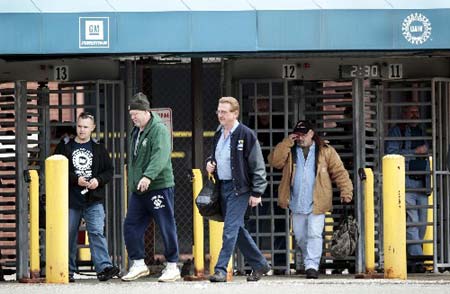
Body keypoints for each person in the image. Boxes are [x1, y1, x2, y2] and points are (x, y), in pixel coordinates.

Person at [268, 120, 353, 279]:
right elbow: (274, 161)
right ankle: (310, 259)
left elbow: (339, 172)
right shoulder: (290, 149)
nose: (300, 137)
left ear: (312, 133)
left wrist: (346, 191)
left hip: (318, 201)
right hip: (296, 201)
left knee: (314, 234)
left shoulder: (325, 150)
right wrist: (287, 142)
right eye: (298, 134)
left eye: (303, 134)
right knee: (300, 236)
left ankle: (311, 266)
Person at [206, 96, 271, 283]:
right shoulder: (218, 133)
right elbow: (215, 157)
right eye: (219, 111)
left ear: (235, 113)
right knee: (238, 230)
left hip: (240, 190)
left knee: (229, 229)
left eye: (224, 112)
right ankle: (260, 264)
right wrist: (210, 164)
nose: (220, 115)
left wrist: (257, 192)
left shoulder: (246, 134)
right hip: (223, 187)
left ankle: (220, 269)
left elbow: (258, 165)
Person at [122, 92, 180, 282]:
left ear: (146, 111)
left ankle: (172, 265)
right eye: (131, 115)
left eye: (135, 114)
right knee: (130, 225)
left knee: (165, 225)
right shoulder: (136, 131)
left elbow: (161, 156)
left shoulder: (159, 130)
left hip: (158, 186)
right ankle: (138, 263)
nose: (133, 118)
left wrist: (148, 176)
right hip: (139, 189)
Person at [54, 112, 119, 282]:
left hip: (93, 199)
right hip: (70, 199)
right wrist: (77, 180)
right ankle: (66, 270)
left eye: (85, 127)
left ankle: (104, 268)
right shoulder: (65, 146)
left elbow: (109, 171)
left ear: (93, 128)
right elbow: (56, 169)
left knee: (97, 232)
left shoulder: (98, 147)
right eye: (79, 126)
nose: (81, 130)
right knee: (68, 235)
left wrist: (98, 180)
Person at [385, 105, 429, 273]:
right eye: (410, 112)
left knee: (422, 224)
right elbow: (391, 154)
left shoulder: (422, 130)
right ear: (403, 114)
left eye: (417, 112)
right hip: (406, 184)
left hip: (422, 185)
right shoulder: (397, 131)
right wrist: (414, 151)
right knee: (412, 223)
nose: (414, 115)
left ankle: (412, 257)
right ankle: (417, 261)